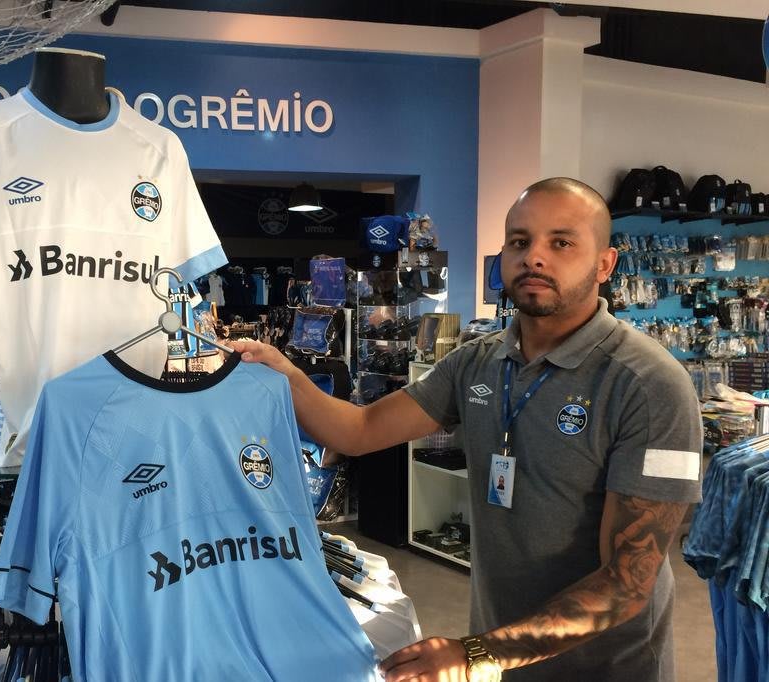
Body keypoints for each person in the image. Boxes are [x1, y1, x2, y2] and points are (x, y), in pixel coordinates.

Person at [233, 177, 702, 682]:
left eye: (561, 242)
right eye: (520, 242)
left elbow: (627, 583)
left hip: (605, 669)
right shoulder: (476, 362)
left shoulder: (650, 385)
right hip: (503, 658)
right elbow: (361, 428)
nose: (534, 257)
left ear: (605, 265)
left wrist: (477, 653)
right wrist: (283, 371)